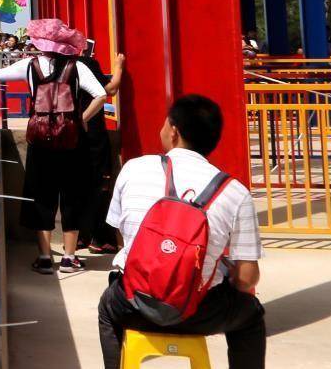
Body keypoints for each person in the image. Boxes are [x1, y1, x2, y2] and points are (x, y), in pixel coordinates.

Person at [97, 94, 263, 369]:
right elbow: (247, 279)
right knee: (251, 315)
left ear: (173, 132)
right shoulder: (235, 192)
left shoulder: (133, 168)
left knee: (107, 308)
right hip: (199, 312)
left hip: (134, 304)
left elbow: (123, 238)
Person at [0, 17, 108, 275]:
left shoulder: (29, 65)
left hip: (40, 142)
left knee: (41, 196)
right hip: (72, 142)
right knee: (72, 197)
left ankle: (45, 258)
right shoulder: (77, 67)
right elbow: (101, 94)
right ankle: (69, 259)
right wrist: (81, 119)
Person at [78, 40, 128, 253]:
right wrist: (118, 67)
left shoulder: (60, 66)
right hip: (93, 135)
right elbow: (111, 89)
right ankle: (100, 238)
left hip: (71, 135)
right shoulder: (87, 64)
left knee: (77, 186)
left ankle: (79, 237)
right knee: (99, 186)